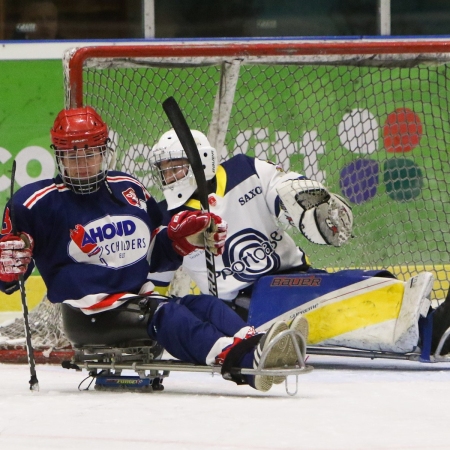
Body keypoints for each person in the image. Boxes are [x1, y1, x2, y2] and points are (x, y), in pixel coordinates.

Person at [0, 107, 308, 392]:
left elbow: (156, 254)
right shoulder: (34, 204)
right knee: (169, 314)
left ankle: (260, 345)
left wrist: (181, 238)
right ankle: (241, 361)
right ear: (59, 155)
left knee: (206, 306)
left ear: (104, 150)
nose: (82, 163)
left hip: (136, 300)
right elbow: (9, 280)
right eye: (72, 155)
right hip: (90, 312)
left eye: (90, 152)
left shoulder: (129, 189)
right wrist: (8, 265)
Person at [148, 129, 450, 357]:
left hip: (295, 278)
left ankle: (425, 323)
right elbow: (155, 285)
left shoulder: (245, 170)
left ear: (202, 161)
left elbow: (284, 186)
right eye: (164, 170)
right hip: (244, 306)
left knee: (360, 281)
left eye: (176, 167)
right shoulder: (166, 217)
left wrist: (306, 201)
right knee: (344, 296)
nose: (170, 177)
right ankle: (430, 334)